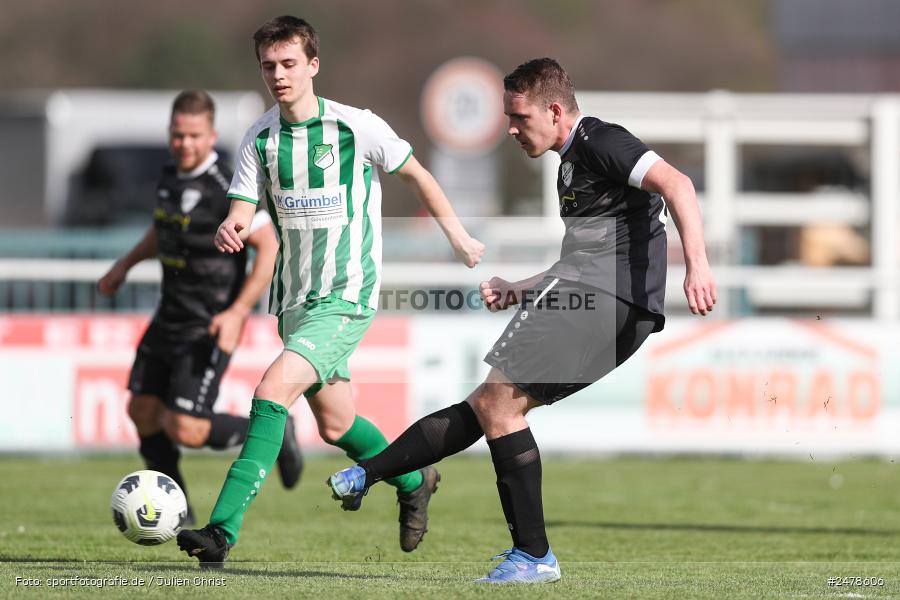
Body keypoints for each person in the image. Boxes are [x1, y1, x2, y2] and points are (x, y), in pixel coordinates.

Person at [328, 58, 717, 584]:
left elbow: (679, 185)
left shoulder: (602, 140)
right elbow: (582, 259)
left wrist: (698, 265)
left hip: (609, 302)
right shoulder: (571, 165)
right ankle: (373, 474)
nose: (511, 129)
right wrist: (520, 288)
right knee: (491, 404)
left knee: (500, 407)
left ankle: (533, 556)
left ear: (555, 111)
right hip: (595, 294)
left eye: (518, 116)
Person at [176, 16, 484, 567]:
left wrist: (457, 237)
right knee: (337, 424)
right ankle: (415, 479)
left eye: (289, 64)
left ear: (313, 65)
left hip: (347, 296)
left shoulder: (356, 127)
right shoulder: (261, 138)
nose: (278, 75)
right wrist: (233, 225)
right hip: (294, 301)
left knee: (271, 394)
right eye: (268, 66)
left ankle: (221, 532)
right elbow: (243, 207)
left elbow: (417, 174)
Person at [98, 90, 303, 526]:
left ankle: (275, 431)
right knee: (141, 411)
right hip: (168, 315)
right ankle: (178, 511)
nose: (184, 144)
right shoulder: (169, 175)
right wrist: (124, 265)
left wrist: (237, 312)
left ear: (210, 136)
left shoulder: (227, 187)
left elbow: (267, 246)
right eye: (177, 135)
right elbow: (161, 229)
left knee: (186, 427)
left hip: (209, 324)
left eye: (193, 136)